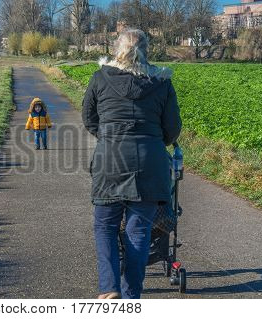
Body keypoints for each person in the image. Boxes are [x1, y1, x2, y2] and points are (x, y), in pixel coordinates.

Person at [82, 29, 182, 299]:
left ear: (117, 49)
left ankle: (109, 288)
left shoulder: (100, 78)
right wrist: (151, 140)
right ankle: (131, 297)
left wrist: (109, 137)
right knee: (139, 231)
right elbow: (172, 129)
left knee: (105, 226)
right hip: (150, 164)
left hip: (110, 160)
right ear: (147, 50)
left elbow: (90, 119)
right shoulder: (162, 82)